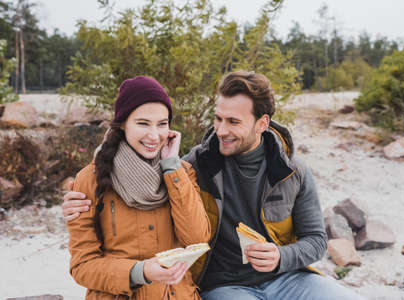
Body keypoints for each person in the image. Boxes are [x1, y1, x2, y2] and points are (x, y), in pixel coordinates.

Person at [63, 71, 364, 299]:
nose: (220, 130)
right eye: (218, 119)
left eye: (233, 121)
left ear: (262, 124)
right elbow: (130, 165)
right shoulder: (198, 164)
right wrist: (77, 197)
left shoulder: (292, 172)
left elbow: (315, 241)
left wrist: (280, 256)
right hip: (225, 285)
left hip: (287, 277)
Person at [65, 75, 210, 299]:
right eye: (143, 123)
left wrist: (171, 168)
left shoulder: (182, 173)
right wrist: (139, 272)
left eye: (162, 124)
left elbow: (197, 239)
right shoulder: (90, 179)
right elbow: (82, 266)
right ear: (122, 123)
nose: (154, 135)